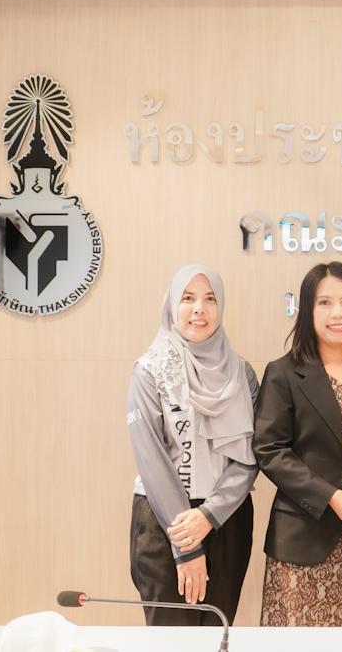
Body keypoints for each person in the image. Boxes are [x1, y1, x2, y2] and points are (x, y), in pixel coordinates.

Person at [253, 261, 342, 626]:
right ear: (307, 310)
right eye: (324, 303)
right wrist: (330, 495)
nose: (338, 314)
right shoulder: (283, 373)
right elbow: (270, 450)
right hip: (301, 539)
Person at [126, 265, 259, 626]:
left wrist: (209, 515)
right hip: (164, 522)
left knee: (217, 636)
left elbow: (251, 456)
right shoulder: (149, 371)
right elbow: (152, 461)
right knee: (171, 640)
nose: (199, 308)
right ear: (172, 305)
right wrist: (186, 545)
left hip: (226, 521)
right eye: (188, 298)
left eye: (210, 299)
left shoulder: (242, 374)